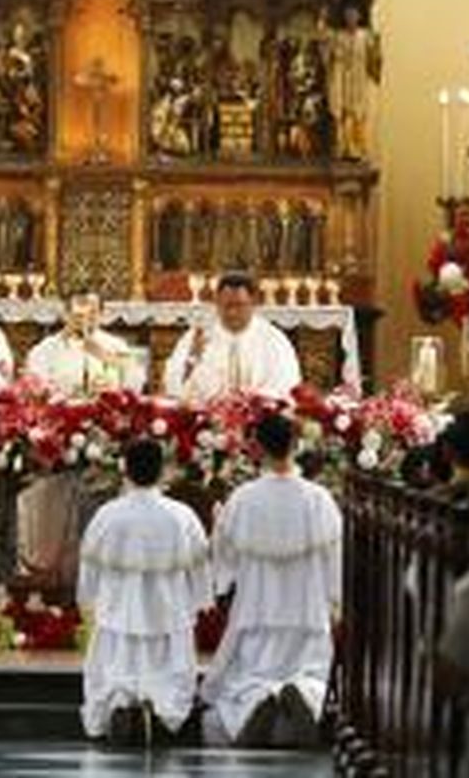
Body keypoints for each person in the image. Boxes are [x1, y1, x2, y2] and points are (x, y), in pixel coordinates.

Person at [201, 413, 342, 747]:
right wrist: (335, 599)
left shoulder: (243, 499)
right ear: (296, 445)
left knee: (247, 675)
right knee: (311, 669)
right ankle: (305, 695)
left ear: (257, 447)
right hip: (306, 614)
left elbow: (225, 560)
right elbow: (335, 556)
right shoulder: (319, 499)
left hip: (257, 612)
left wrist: (218, 527)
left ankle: (257, 699)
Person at [78, 438, 212, 745]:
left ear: (125, 470)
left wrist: (88, 599)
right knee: (170, 669)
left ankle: (121, 704)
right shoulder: (181, 515)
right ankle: (162, 711)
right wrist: (200, 598)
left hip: (119, 612)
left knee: (117, 665)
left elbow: (89, 565)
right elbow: (200, 565)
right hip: (170, 613)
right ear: (162, 471)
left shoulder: (108, 515)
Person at [164, 272, 301, 401]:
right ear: (216, 302)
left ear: (253, 302)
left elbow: (286, 384)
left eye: (239, 305)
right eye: (227, 306)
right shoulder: (197, 337)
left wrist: (252, 404)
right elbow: (173, 385)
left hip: (260, 419)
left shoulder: (273, 339)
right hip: (209, 418)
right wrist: (192, 358)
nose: (232, 313)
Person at [26, 293, 142, 395]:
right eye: (78, 315)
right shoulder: (46, 349)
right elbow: (35, 384)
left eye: (92, 313)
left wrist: (106, 358)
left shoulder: (116, 345)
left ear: (101, 315)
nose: (85, 320)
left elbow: (136, 382)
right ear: (66, 315)